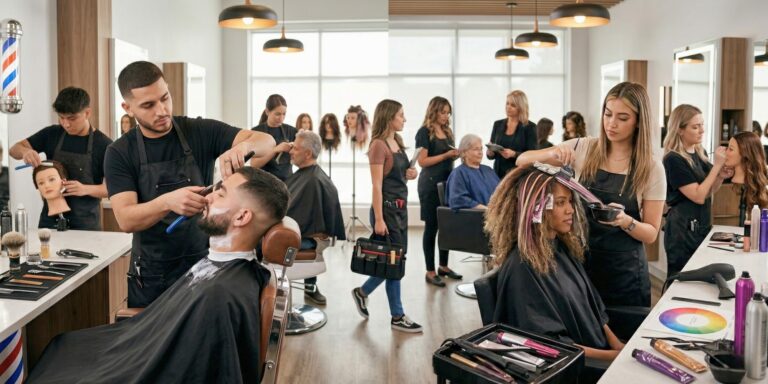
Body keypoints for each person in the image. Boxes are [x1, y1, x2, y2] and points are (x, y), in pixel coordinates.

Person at [27, 167, 289, 383]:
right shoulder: (226, 270)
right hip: (132, 352)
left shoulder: (221, 295)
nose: (206, 197)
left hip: (136, 370)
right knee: (65, 344)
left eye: (219, 195)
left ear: (243, 216)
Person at [105, 61, 274, 308]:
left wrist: (244, 146)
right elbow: (126, 219)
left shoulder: (198, 131)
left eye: (165, 98)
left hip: (203, 264)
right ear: (128, 108)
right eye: (148, 105)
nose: (162, 110)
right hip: (152, 274)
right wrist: (167, 202)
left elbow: (266, 141)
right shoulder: (119, 152)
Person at [517, 82, 666, 308]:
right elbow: (521, 161)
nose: (611, 123)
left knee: (624, 339)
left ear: (638, 122)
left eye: (622, 118)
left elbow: (651, 234)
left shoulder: (651, 168)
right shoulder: (583, 148)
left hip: (625, 273)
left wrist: (625, 221)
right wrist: (552, 152)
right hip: (580, 264)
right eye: (608, 114)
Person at [486, 165, 625, 366]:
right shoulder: (523, 268)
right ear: (537, 208)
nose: (570, 209)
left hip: (600, 353)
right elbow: (550, 345)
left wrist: (618, 346)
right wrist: (612, 358)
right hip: (574, 367)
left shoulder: (561, 248)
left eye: (569, 201)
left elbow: (593, 308)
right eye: (560, 203)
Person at [351, 99, 422, 333]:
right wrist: (379, 219)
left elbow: (399, 177)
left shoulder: (397, 142)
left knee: (396, 260)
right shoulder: (378, 146)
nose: (404, 119)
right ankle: (397, 315)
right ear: (389, 117)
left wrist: (410, 173)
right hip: (387, 212)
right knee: (395, 262)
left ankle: (362, 293)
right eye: (401, 115)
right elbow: (376, 186)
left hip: (400, 209)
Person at [10, 87, 112, 230]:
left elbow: (112, 188)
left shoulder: (104, 145)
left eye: (72, 118)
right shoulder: (52, 134)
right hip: (49, 222)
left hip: (85, 225)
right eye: (61, 118)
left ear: (87, 113)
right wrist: (25, 152)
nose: (66, 124)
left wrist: (85, 189)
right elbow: (14, 149)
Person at [662, 104, 731, 277]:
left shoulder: (700, 153)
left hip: (701, 224)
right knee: (681, 278)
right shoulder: (673, 159)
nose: (702, 130)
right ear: (680, 130)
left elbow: (708, 191)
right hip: (682, 230)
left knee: (701, 276)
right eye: (695, 126)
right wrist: (716, 167)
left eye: (702, 125)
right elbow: (698, 196)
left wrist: (720, 176)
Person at [285, 131, 346, 305]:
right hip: (304, 234)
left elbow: (302, 218)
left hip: (311, 240)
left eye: (295, 148)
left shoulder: (313, 181)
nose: (290, 151)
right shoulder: (306, 175)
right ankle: (308, 288)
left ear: (308, 154)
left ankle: (268, 289)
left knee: (260, 242)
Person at [415, 96, 461, 287]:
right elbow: (422, 162)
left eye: (448, 112)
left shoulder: (448, 132)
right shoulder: (424, 132)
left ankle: (444, 266)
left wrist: (456, 155)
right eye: (442, 112)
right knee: (431, 227)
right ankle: (430, 270)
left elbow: (448, 158)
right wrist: (446, 155)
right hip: (430, 185)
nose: (445, 116)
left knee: (446, 226)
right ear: (434, 111)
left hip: (447, 184)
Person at [486, 90, 537, 178]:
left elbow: (532, 156)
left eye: (513, 105)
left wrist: (514, 154)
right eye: (507, 103)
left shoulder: (530, 127)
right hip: (498, 174)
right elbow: (492, 155)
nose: (508, 107)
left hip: (518, 175)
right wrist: (490, 153)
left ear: (521, 107)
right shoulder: (497, 124)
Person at [445, 134, 499, 209]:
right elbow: (458, 199)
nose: (480, 152)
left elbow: (501, 191)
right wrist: (486, 210)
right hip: (476, 216)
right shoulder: (459, 173)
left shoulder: (488, 170)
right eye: (476, 149)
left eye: (481, 149)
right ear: (464, 152)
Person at [725, 131, 768, 224]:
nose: (726, 152)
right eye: (727, 148)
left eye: (731, 149)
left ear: (745, 154)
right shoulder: (721, 182)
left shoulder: (762, 188)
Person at [251, 94, 297, 182]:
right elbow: (254, 164)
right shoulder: (256, 132)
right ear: (267, 111)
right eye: (277, 114)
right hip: (264, 183)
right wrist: (275, 150)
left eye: (284, 114)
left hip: (288, 182)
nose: (281, 118)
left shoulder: (291, 131)